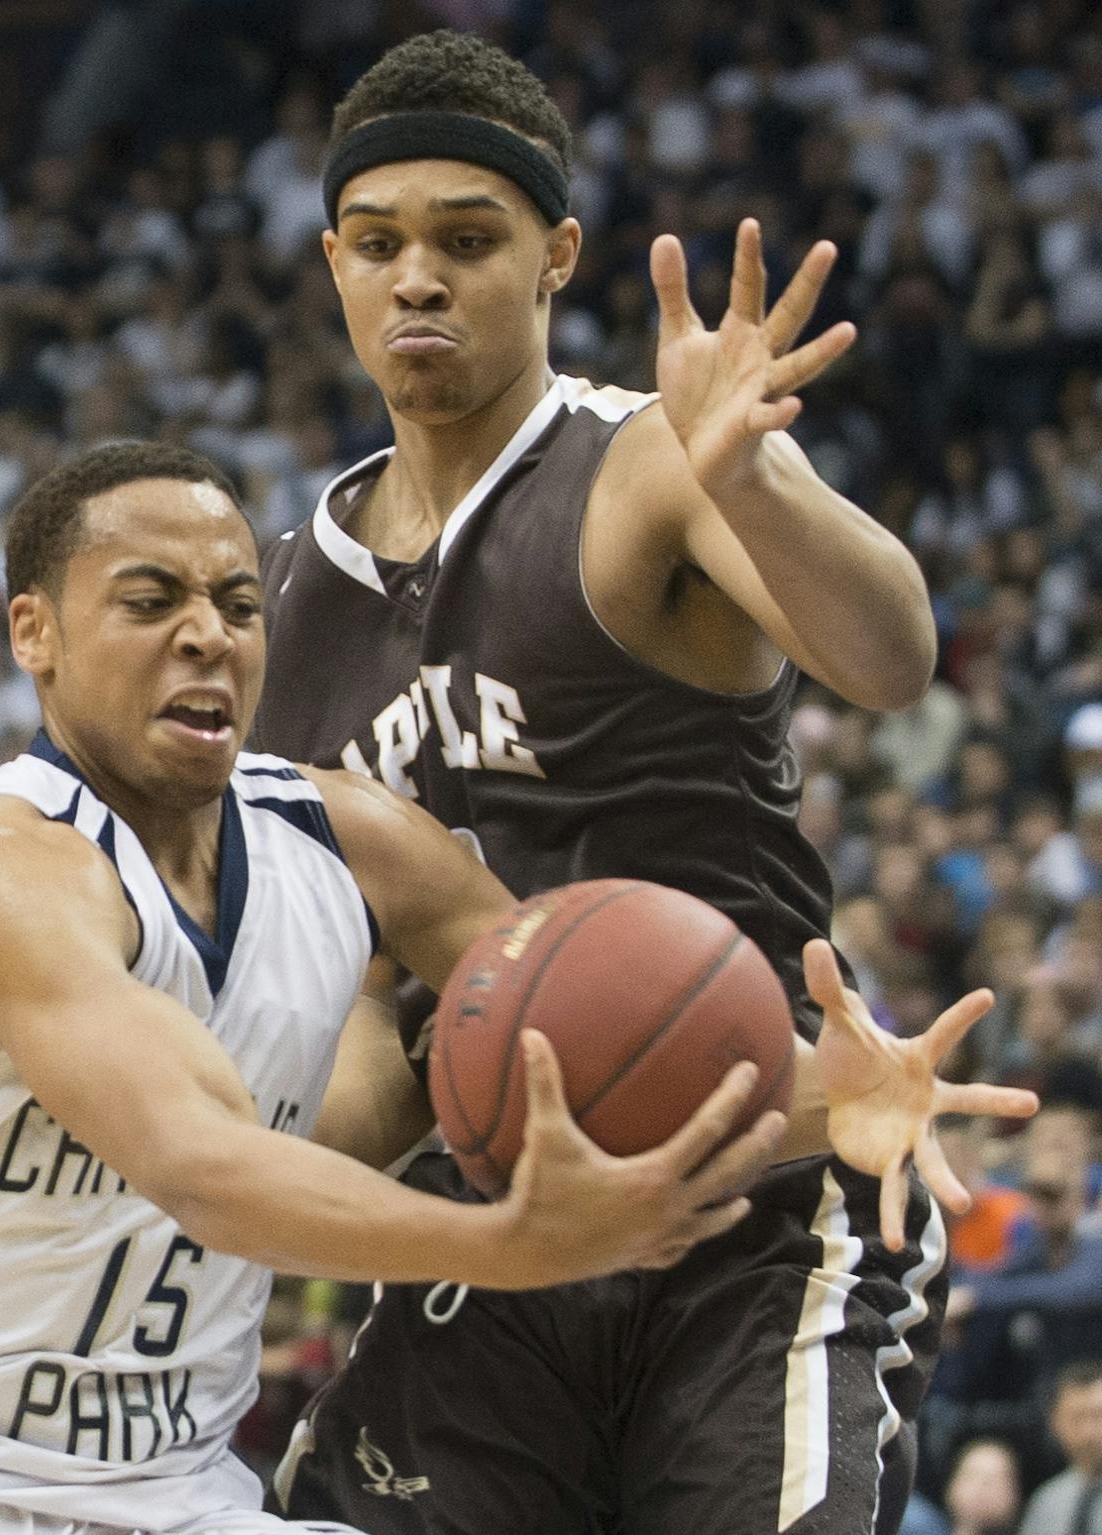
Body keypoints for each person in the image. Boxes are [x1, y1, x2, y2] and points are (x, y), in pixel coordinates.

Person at [0, 439, 811, 1535]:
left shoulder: (357, 839)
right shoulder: (1, 868)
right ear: (32, 633)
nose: (208, 633)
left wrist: (835, 1091)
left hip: (183, 1495)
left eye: (238, 604)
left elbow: (610, 1031)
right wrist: (517, 1243)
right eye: (150, 601)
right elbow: (202, 1165)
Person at [252, 29, 1032, 1535]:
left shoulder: (646, 466)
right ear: (332, 261)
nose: (418, 276)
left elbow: (892, 651)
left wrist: (753, 476)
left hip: (766, 1186)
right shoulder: (285, 603)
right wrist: (232, 1162)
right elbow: (360, 1018)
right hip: (500, 1220)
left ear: (553, 256)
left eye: (467, 241)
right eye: (380, 241)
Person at [1016, 1363, 1102, 1535]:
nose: (1089, 1432)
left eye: (1098, 1416)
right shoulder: (1046, 1502)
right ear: (1055, 1422)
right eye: (1077, 1418)